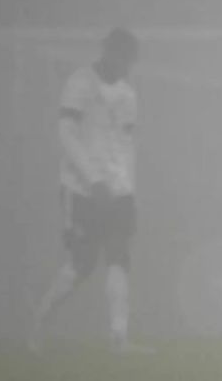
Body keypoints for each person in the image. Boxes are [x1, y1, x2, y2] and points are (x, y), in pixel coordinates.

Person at [29, 28, 151, 354]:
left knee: (119, 256)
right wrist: (94, 179)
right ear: (107, 51)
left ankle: (119, 337)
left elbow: (125, 145)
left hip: (118, 191)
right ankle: (40, 322)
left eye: (130, 59)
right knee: (81, 265)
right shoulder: (81, 83)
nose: (124, 64)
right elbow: (66, 133)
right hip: (81, 189)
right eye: (120, 56)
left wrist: (128, 188)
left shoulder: (128, 94)